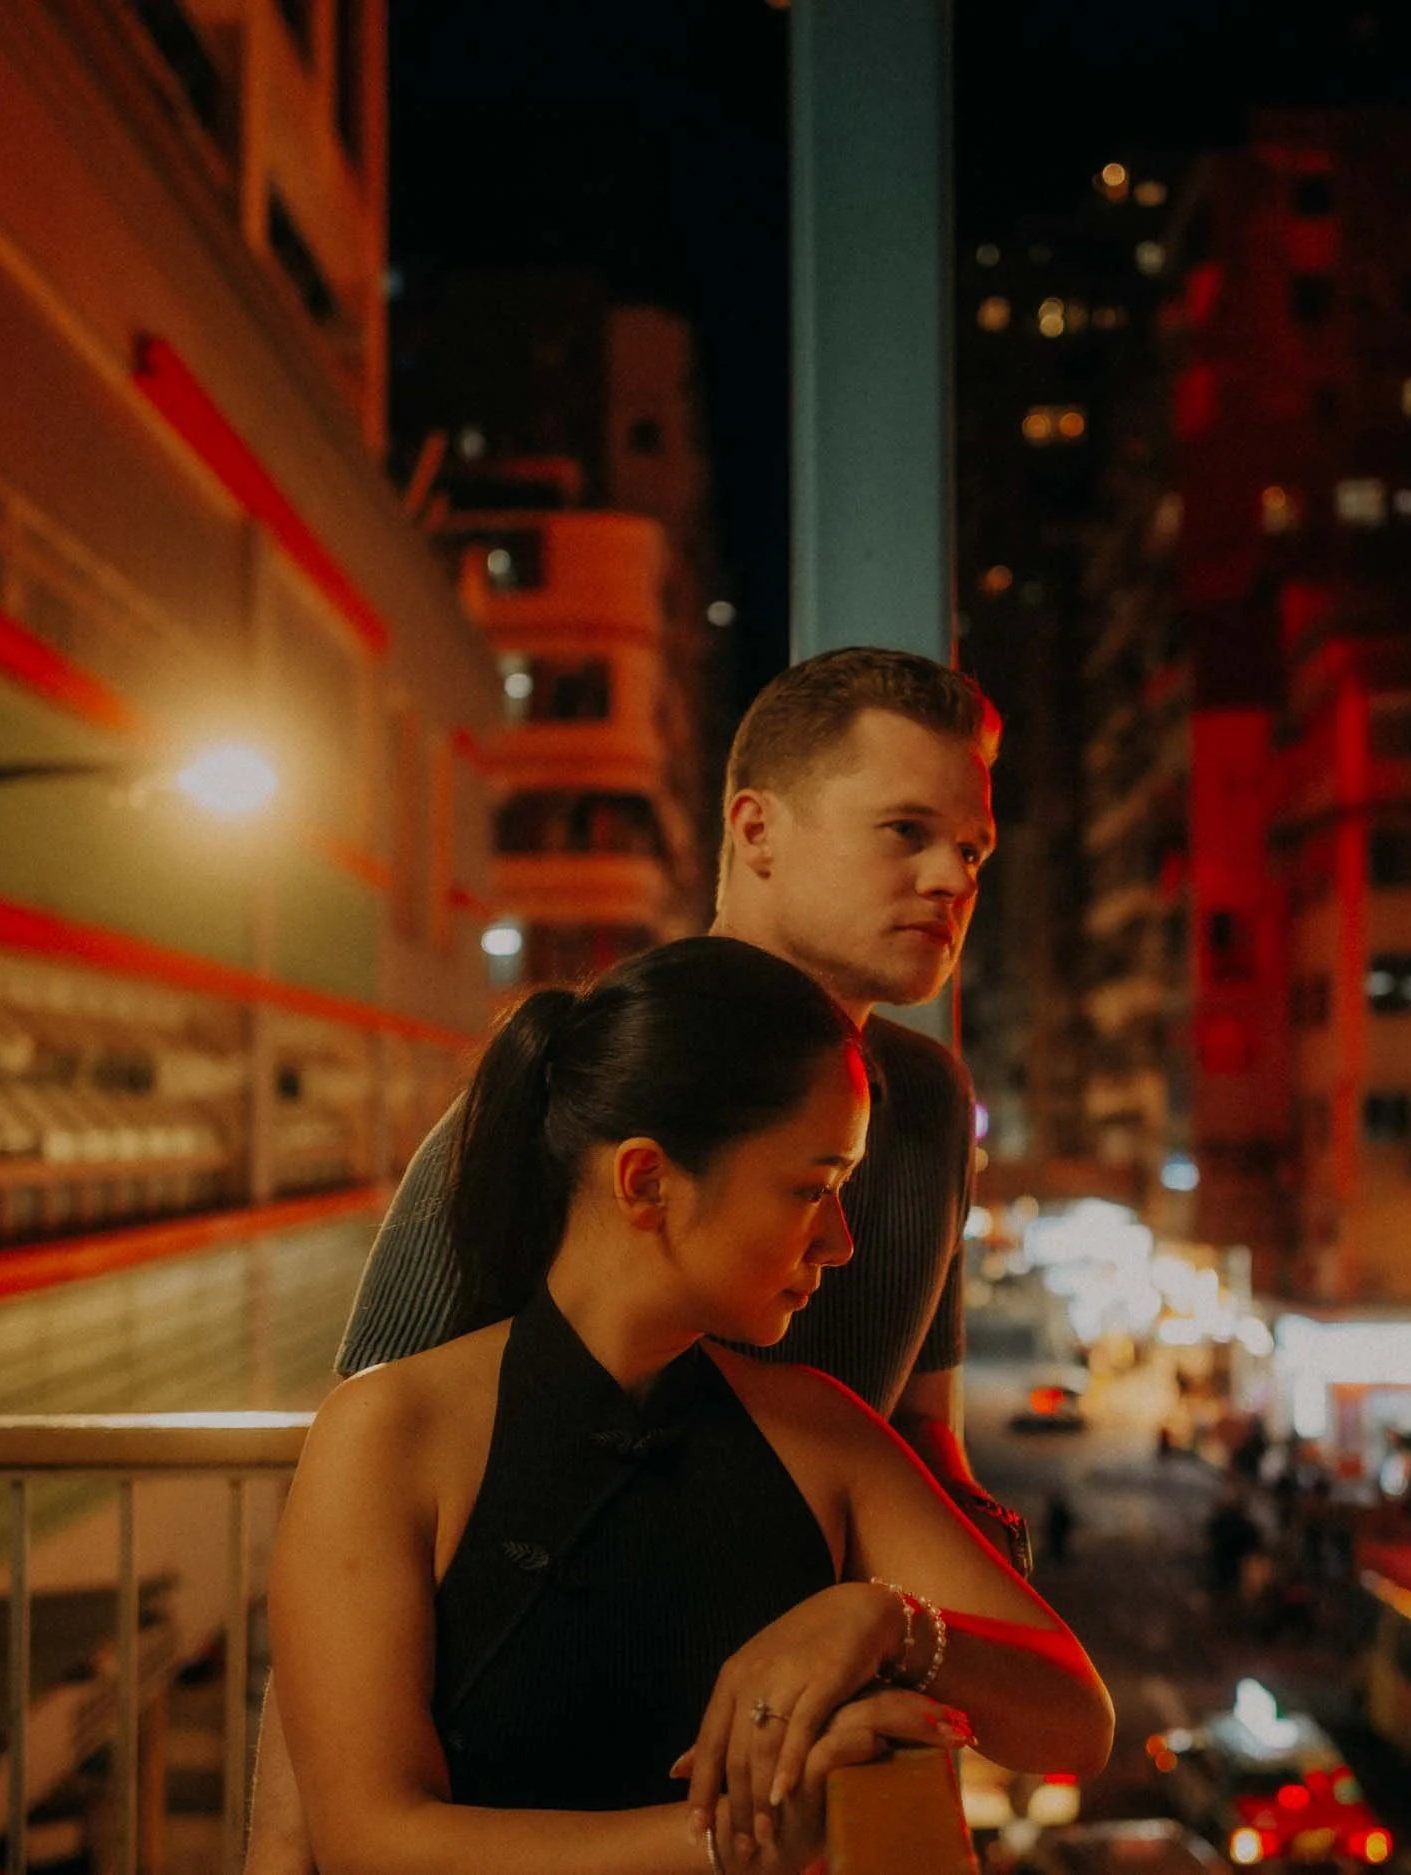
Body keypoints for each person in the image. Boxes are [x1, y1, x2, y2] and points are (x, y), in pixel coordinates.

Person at [247, 648, 1024, 1872]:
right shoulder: (586, 1098)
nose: (949, 878)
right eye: (905, 831)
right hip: (542, 1767)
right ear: (755, 831)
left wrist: (917, 1619)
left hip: (799, 1750)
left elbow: (928, 1445)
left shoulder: (924, 1110)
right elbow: (353, 1542)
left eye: (972, 850)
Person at [268, 938, 1113, 1874]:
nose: (839, 1241)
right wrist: (738, 1844)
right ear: (647, 1181)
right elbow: (370, 1840)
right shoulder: (392, 1432)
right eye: (812, 1187)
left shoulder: (820, 1432)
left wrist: (888, 1621)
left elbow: (1078, 1722)